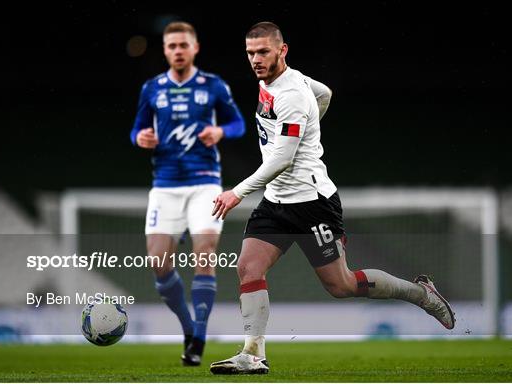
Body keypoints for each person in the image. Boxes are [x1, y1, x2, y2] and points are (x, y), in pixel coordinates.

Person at [209, 22, 455, 375]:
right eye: (250, 53)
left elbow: (283, 159)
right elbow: (324, 94)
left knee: (342, 285)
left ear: (283, 50)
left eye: (263, 52)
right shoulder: (276, 83)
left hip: (312, 203)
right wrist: (313, 127)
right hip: (276, 203)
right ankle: (253, 353)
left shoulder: (292, 93)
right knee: (249, 267)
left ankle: (420, 293)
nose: (255, 59)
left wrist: (237, 192)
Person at [130, 21, 246, 366]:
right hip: (165, 185)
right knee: (158, 263)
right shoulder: (152, 88)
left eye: (183, 45)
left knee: (205, 252)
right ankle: (188, 327)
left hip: (204, 182)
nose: (178, 51)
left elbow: (238, 123)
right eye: (171, 46)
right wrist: (140, 138)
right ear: (165, 51)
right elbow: (137, 128)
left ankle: (199, 338)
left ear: (195, 48)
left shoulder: (213, 85)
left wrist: (219, 130)